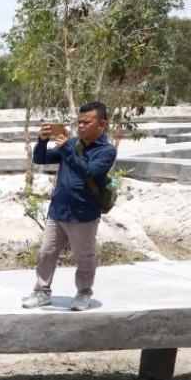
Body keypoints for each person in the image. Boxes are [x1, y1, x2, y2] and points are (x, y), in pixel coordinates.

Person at [22, 101, 117, 311]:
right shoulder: (72, 144)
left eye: (86, 122)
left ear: (101, 124)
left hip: (83, 215)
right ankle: (41, 292)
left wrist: (66, 149)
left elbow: (88, 171)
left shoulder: (107, 151)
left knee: (84, 258)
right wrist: (43, 140)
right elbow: (41, 158)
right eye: (79, 122)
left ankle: (83, 293)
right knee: (46, 253)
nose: (81, 126)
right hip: (58, 212)